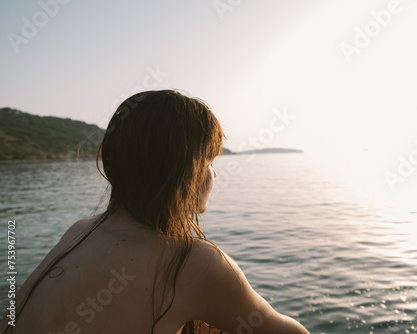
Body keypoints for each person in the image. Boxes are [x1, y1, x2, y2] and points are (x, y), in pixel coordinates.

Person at [0, 90, 311, 334]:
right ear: (186, 169)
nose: (213, 174)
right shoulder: (192, 262)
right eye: (209, 161)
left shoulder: (80, 231)